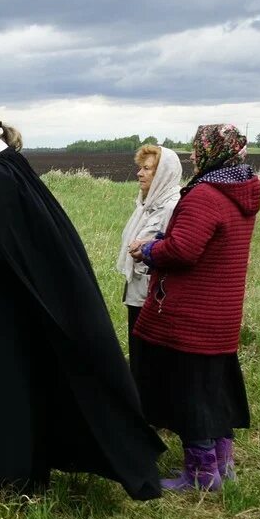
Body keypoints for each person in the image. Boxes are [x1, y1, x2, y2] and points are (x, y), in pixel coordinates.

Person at [0, 97, 164, 502]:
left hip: (2, 319)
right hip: (0, 306)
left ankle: (0, 481)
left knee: (2, 397)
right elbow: (4, 244)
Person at [129, 124, 260, 492]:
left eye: (196, 150)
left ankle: (201, 475)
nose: (191, 156)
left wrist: (151, 249)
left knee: (191, 394)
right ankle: (223, 464)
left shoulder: (205, 195)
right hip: (222, 313)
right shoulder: (239, 193)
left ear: (212, 152)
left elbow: (184, 249)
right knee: (214, 389)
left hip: (193, 313)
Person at [117, 145, 182, 378]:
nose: (139, 173)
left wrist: (145, 249)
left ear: (163, 173)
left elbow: (173, 247)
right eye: (140, 168)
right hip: (138, 290)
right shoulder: (147, 205)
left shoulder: (172, 206)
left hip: (153, 295)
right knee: (138, 354)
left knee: (149, 358)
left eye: (147, 169)